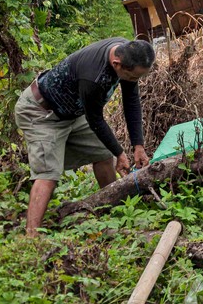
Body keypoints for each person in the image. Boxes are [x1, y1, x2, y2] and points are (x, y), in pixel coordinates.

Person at [14, 37, 155, 236]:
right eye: (133, 78)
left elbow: (131, 101)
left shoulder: (129, 52)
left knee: (103, 153)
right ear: (117, 64)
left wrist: (138, 145)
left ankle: (115, 213)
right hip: (41, 112)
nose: (134, 82)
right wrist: (121, 153)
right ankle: (31, 238)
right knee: (48, 174)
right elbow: (96, 120)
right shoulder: (93, 76)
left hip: (72, 112)